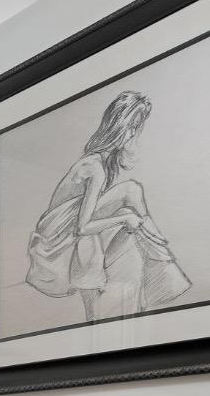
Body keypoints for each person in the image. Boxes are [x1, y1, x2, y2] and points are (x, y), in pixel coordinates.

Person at [25, 90, 190, 322]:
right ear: (119, 126)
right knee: (128, 198)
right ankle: (160, 252)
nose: (134, 133)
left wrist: (126, 218)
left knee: (128, 205)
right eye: (132, 126)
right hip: (56, 240)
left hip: (67, 231)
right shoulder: (95, 167)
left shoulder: (102, 165)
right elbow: (81, 227)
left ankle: (156, 251)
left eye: (137, 127)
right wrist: (125, 219)